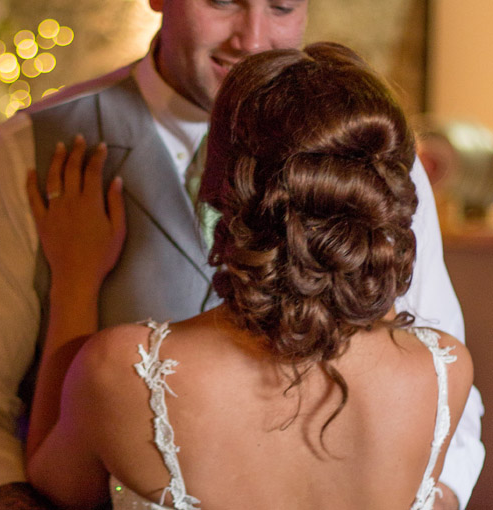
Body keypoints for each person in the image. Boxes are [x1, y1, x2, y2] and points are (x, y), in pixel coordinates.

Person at [0, 0, 483, 510]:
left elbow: (440, 404)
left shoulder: (373, 158)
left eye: (284, 5)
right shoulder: (27, 150)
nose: (253, 41)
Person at [24, 42, 474, 510]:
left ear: (219, 190)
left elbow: (53, 492)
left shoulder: (122, 372)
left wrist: (74, 281)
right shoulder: (441, 373)